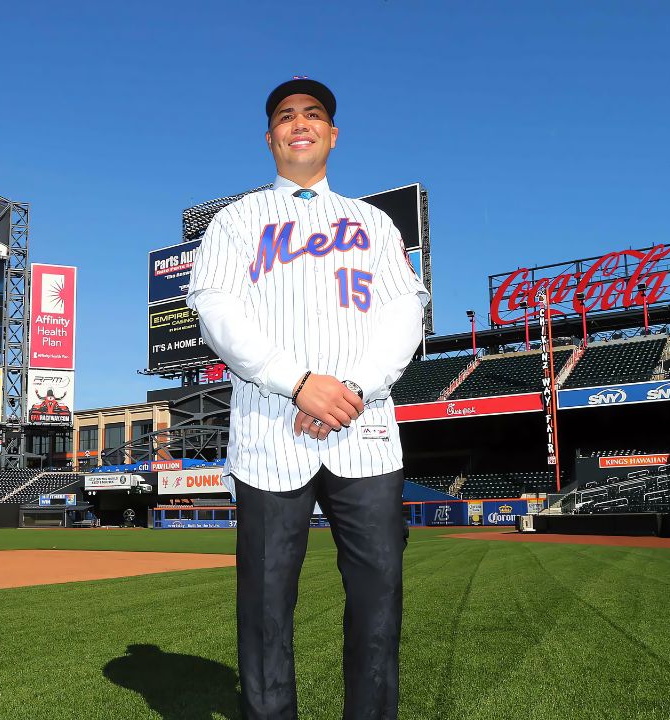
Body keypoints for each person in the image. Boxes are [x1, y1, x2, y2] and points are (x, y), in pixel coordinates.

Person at [187, 77, 428, 720]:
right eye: (286, 116)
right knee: (265, 607)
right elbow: (215, 308)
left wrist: (350, 390)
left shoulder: (373, 223)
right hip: (271, 431)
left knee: (379, 604)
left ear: (332, 133)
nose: (300, 123)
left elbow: (405, 312)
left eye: (313, 114)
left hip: (366, 433)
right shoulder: (235, 222)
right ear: (270, 137)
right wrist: (297, 382)